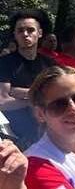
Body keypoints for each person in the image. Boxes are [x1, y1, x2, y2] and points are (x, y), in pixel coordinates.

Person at [0, 10, 56, 147]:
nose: (25, 34)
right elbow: (2, 102)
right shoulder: (4, 63)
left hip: (50, 134)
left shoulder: (50, 64)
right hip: (16, 138)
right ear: (15, 34)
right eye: (20, 30)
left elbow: (56, 96)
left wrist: (17, 91)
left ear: (40, 33)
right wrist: (36, 99)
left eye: (30, 30)